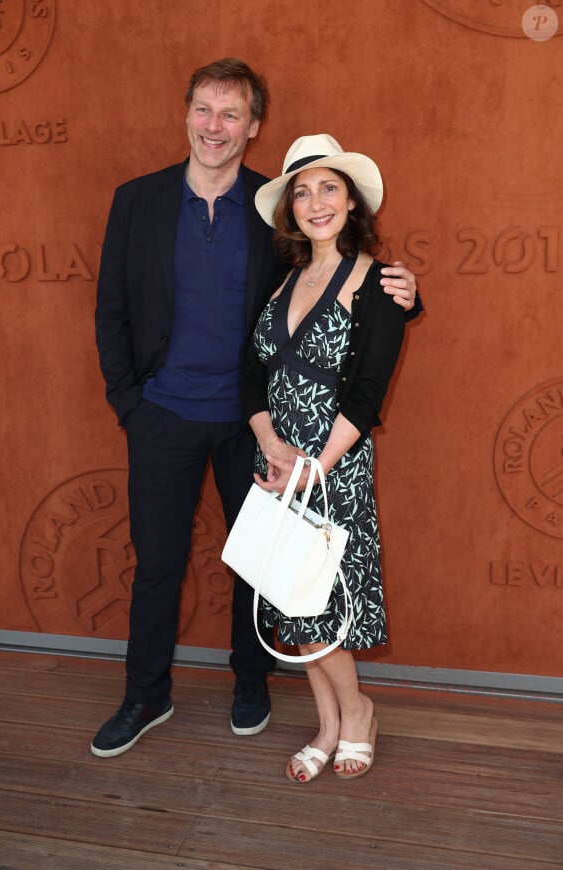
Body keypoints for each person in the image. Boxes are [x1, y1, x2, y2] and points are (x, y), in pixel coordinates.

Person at [93, 58, 420, 759]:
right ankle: (145, 693)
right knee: (157, 560)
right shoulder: (137, 201)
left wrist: (406, 296)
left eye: (232, 113)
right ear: (187, 113)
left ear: (253, 127)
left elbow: (340, 283)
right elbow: (111, 308)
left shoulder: (270, 211)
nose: (216, 126)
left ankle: (253, 682)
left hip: (255, 427)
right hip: (164, 415)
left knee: (265, 565)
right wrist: (130, 403)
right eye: (205, 110)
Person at [241, 133, 409, 782]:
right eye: (302, 192)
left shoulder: (381, 285)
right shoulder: (282, 285)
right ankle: (331, 722)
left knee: (318, 604)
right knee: (292, 598)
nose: (315, 202)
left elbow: (368, 397)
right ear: (290, 210)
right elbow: (249, 376)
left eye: (328, 188)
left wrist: (313, 465)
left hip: (332, 470)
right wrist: (272, 446)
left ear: (351, 201)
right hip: (279, 467)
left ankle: (359, 709)